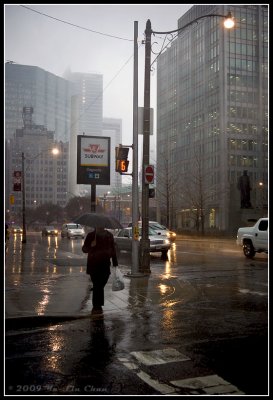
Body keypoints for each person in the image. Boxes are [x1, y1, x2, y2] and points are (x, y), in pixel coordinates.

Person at [82, 227, 118, 315]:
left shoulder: (109, 235)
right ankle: (97, 306)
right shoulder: (91, 236)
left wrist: (115, 262)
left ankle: (98, 305)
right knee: (97, 284)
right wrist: (91, 245)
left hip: (105, 264)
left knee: (100, 284)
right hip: (93, 264)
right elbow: (84, 249)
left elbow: (113, 249)